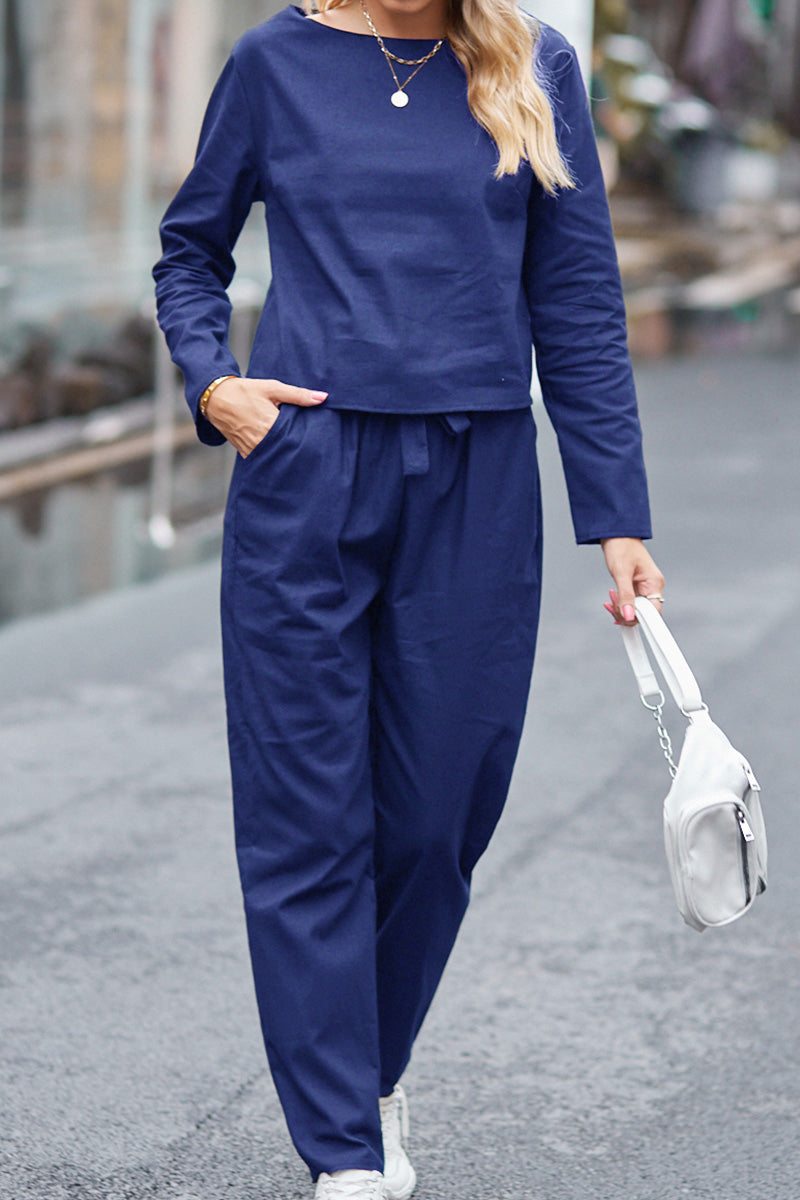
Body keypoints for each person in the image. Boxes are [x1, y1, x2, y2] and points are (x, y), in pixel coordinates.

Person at [151, 2, 666, 1197]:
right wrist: (216, 386)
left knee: (440, 813)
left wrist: (617, 515)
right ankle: (343, 1144)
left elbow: (577, 302)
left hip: (476, 474)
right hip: (305, 470)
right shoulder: (276, 61)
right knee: (305, 816)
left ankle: (364, 1066)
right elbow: (190, 249)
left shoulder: (532, 62)